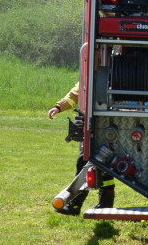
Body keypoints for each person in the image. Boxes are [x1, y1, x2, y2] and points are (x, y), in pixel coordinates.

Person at [48, 81, 115, 213]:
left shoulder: (113, 76)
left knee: (94, 164)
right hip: (94, 126)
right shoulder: (88, 76)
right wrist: (58, 107)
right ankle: (101, 204)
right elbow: (73, 95)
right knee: (93, 163)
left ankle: (78, 205)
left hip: (107, 126)